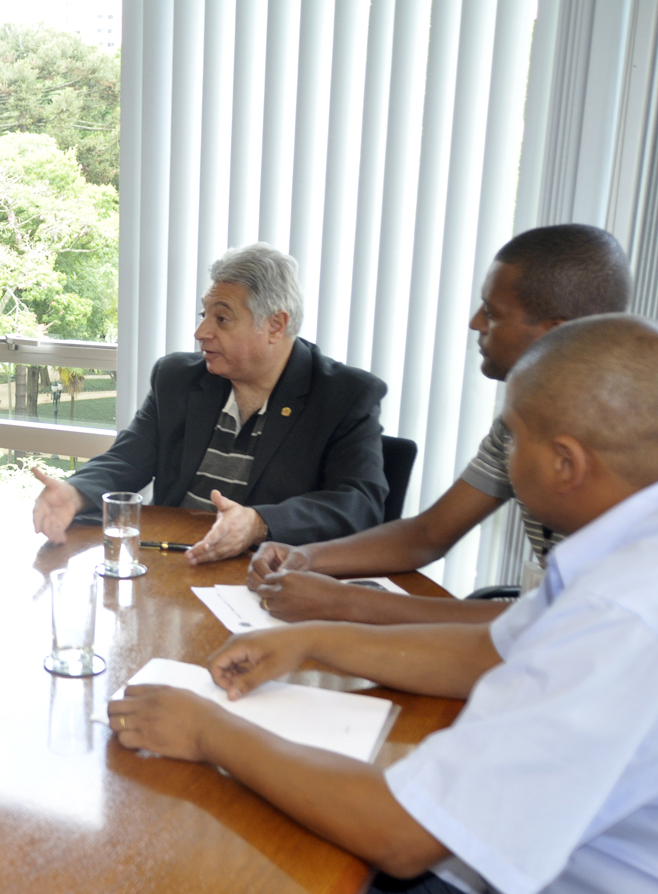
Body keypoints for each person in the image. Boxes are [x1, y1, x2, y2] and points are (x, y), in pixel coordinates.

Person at [109, 314, 658, 894]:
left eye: (513, 439)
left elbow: (403, 835)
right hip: (567, 878)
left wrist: (209, 730)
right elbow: (492, 647)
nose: (503, 459)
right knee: (262, 893)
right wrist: (312, 640)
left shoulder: (630, 610)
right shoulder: (641, 545)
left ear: (565, 462)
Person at [248, 224, 632, 623]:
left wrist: (344, 602)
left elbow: (569, 623)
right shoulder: (521, 422)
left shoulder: (629, 448)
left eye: (493, 313)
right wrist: (307, 557)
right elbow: (429, 534)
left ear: (557, 332)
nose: (475, 323)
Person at [31, 243, 388, 563]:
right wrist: (77, 492)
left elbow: (360, 503)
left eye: (222, 318)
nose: (201, 333)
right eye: (205, 315)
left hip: (264, 578)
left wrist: (260, 523)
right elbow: (128, 456)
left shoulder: (344, 396)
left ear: (276, 325)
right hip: (170, 563)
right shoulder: (179, 379)